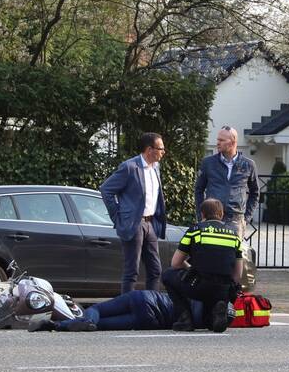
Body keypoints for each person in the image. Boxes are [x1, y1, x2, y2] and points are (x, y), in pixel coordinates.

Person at [161, 199, 243, 333]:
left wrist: (190, 269)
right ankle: (218, 308)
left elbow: (175, 263)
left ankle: (185, 319)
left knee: (168, 275)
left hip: (199, 286)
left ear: (202, 214)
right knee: (208, 323)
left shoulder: (195, 231)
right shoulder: (234, 235)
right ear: (221, 214)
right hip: (223, 290)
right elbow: (237, 275)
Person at [99, 132, 167, 294]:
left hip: (150, 224)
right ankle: (127, 309)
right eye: (161, 148)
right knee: (131, 271)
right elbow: (106, 189)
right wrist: (118, 217)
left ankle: (153, 305)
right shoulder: (130, 167)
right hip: (133, 224)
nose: (164, 152)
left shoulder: (156, 168)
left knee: (155, 270)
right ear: (149, 149)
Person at [28, 290, 204, 332]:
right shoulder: (202, 320)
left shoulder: (199, 292)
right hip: (151, 322)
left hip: (144, 299)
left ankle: (84, 320)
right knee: (102, 325)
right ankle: (57, 326)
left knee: (96, 309)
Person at [194, 126, 259, 237]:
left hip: (236, 221)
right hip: (211, 219)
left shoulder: (248, 165)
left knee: (233, 254)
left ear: (233, 142)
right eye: (218, 139)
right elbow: (198, 190)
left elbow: (255, 193)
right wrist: (201, 217)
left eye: (222, 140)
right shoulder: (208, 163)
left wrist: (246, 218)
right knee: (211, 253)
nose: (218, 143)